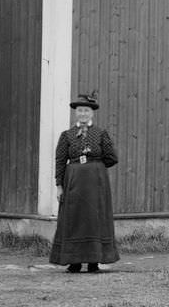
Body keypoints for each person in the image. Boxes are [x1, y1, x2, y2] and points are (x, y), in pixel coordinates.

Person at [48, 91, 119, 273]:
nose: (83, 114)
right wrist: (59, 185)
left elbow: (112, 158)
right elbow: (60, 160)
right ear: (75, 113)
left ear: (92, 113)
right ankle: (74, 261)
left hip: (96, 183)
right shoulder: (67, 135)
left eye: (86, 111)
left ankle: (94, 261)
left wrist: (96, 168)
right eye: (80, 111)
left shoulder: (101, 134)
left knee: (94, 219)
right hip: (74, 183)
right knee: (75, 219)